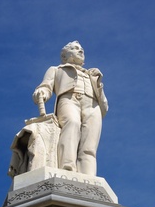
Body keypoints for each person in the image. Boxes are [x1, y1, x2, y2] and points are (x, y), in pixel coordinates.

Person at [33, 41, 108, 176]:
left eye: (81, 49)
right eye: (75, 49)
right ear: (64, 56)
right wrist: (42, 92)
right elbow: (46, 86)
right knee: (72, 125)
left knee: (89, 144)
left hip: (92, 105)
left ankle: (88, 176)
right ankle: (67, 170)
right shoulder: (56, 70)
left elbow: (105, 106)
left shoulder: (92, 75)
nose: (80, 51)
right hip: (69, 99)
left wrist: (98, 84)